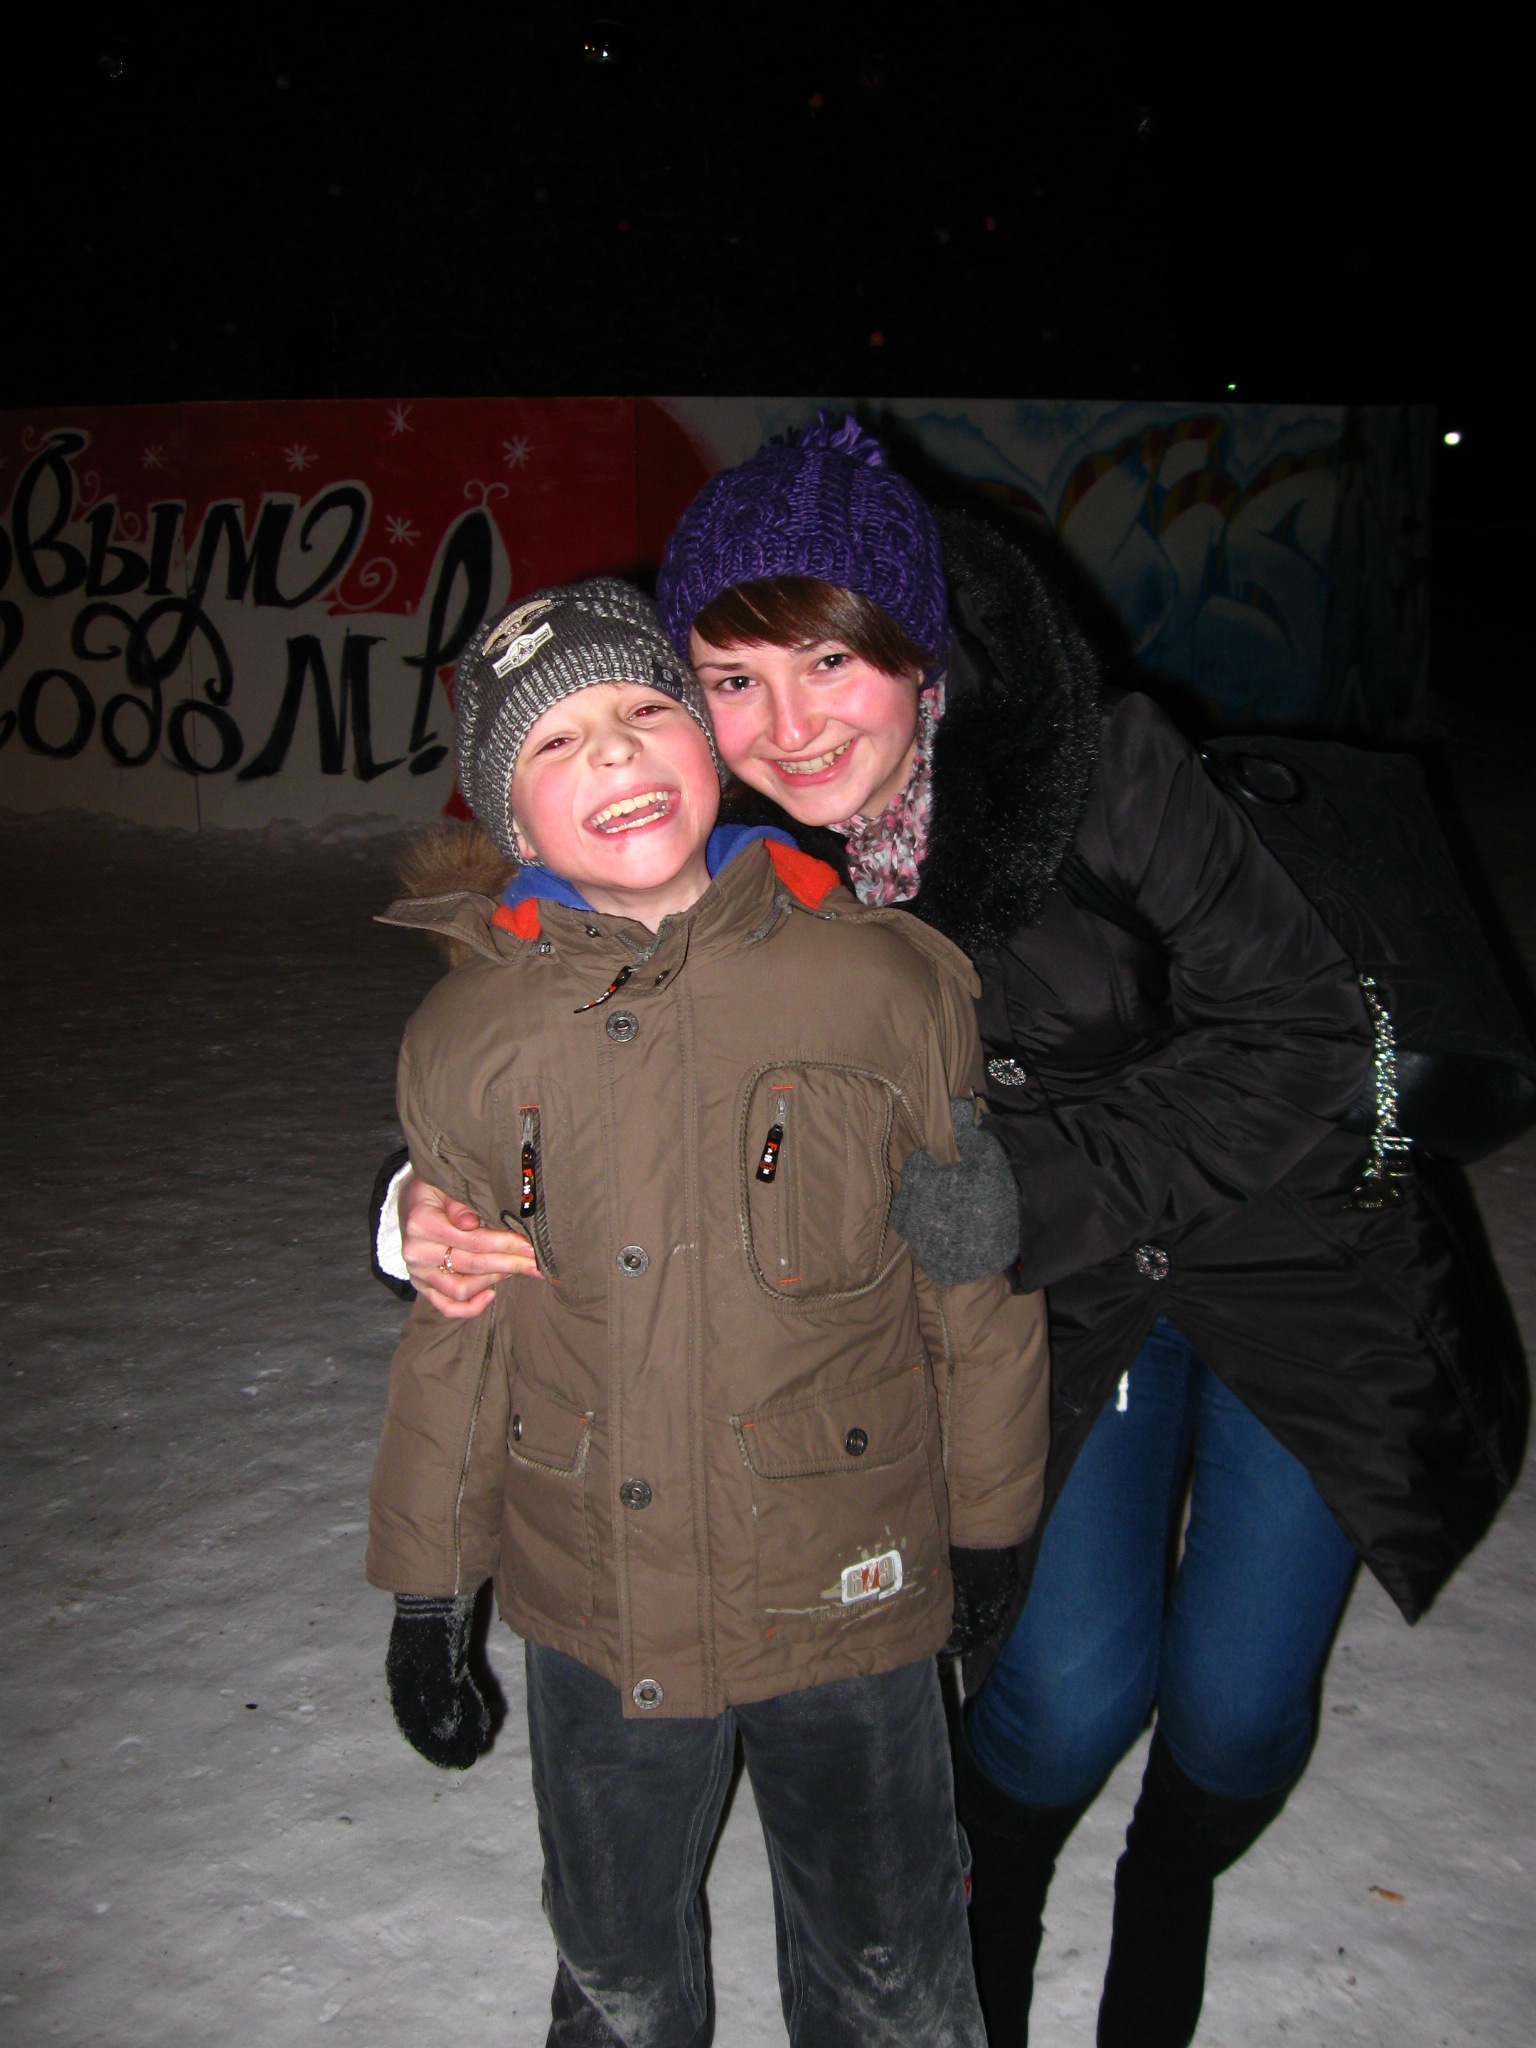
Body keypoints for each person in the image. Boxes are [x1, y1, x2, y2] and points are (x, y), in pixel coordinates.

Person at [380, 418, 1528, 2047]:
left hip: (1292, 1254)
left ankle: (1174, 1886)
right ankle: (989, 1893)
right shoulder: (726, 841)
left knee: (1239, 1708)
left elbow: (1310, 1035)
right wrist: (407, 1211)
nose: (790, 727)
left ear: (917, 651)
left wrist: (1025, 1198)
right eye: (732, 680)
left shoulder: (1099, 768)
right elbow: (569, 1041)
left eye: (831, 661)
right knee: (1061, 1698)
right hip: (1068, 1302)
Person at [367, 575, 1050, 2048]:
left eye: (644, 708)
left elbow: (967, 1288)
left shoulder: (880, 979)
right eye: (554, 743)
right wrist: (430, 1592)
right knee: (616, 1969)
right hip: (593, 1595)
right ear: (506, 813)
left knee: (890, 1964)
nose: (613, 753)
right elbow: (458, 1330)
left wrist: (992, 1524)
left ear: (710, 744)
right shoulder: (466, 1035)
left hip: (846, 1577)